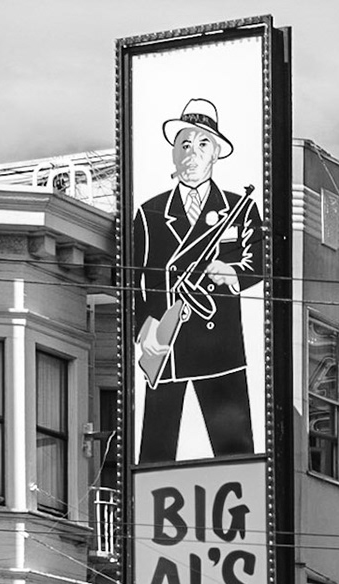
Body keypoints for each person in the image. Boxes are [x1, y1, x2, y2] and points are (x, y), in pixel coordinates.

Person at [129, 96, 264, 463]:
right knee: (155, 458)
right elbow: (133, 284)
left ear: (217, 152)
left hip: (219, 346)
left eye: (202, 143)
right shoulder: (150, 212)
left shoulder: (240, 206)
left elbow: (261, 263)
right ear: (173, 153)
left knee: (236, 458)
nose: (192, 151)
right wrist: (145, 334)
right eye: (184, 143)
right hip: (166, 346)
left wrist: (231, 271)